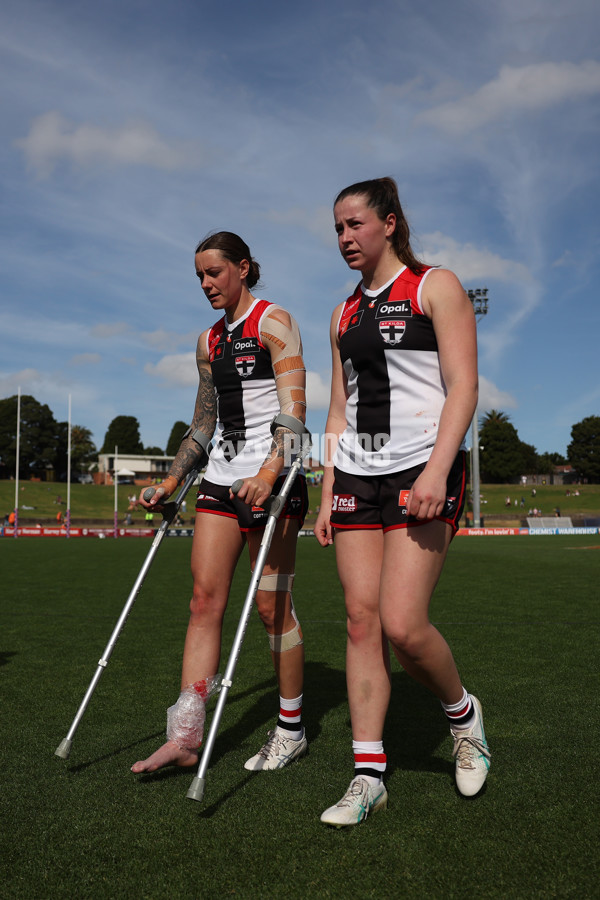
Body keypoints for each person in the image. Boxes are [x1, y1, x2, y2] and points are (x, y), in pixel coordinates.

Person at [314, 177, 490, 827]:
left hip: (424, 466)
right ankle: (368, 775)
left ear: (389, 223)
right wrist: (328, 483)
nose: (344, 238)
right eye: (336, 228)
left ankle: (463, 718)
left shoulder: (434, 285)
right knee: (361, 623)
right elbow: (337, 408)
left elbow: (464, 385)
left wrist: (440, 469)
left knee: (403, 626)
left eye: (354, 224)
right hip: (358, 472)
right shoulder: (341, 314)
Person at [132, 231, 309, 775]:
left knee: (270, 607)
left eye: (215, 272)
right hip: (220, 481)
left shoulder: (273, 322)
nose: (207, 284)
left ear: (244, 268)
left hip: (273, 482)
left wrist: (267, 473)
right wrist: (170, 481)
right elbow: (203, 425)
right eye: (199, 277)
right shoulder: (208, 342)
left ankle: (291, 728)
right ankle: (186, 738)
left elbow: (296, 416)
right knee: (203, 602)